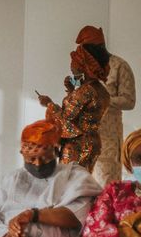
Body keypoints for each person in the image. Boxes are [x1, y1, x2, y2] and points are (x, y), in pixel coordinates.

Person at [75, 26, 136, 187]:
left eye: (88, 49)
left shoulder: (119, 66)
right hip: (84, 140)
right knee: (81, 193)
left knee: (106, 191)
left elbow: (129, 101)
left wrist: (104, 99)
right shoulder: (85, 68)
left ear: (99, 47)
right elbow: (78, 95)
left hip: (108, 141)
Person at [38, 43, 110, 173]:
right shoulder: (101, 90)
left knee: (69, 185)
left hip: (77, 144)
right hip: (92, 142)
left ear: (85, 66)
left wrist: (49, 104)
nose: (72, 68)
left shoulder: (85, 91)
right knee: (83, 184)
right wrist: (72, 92)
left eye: (75, 63)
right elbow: (83, 113)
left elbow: (66, 121)